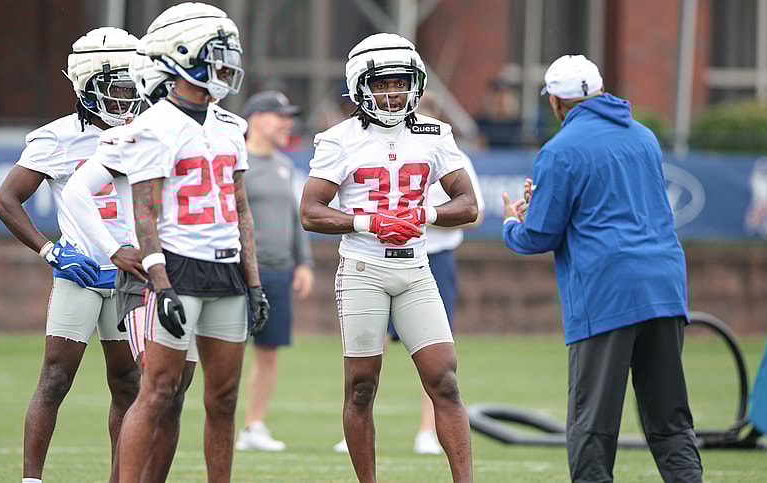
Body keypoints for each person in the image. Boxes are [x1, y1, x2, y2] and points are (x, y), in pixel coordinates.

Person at [501, 54, 703, 483]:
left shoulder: (559, 150)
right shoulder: (644, 137)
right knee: (670, 418)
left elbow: (540, 235)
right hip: (665, 287)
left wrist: (511, 223)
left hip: (606, 292)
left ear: (556, 102)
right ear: (599, 89)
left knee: (593, 423)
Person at [300, 33, 477, 483]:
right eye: (383, 84)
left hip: (416, 269)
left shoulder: (435, 133)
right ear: (361, 85)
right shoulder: (339, 139)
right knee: (361, 388)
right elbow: (310, 211)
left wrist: (425, 212)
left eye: (401, 83)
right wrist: (368, 222)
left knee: (446, 381)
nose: (394, 93)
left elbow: (469, 204)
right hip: (363, 269)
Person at [114, 4, 269, 482]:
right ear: (182, 54)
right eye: (216, 55)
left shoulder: (232, 126)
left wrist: (255, 284)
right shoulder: (152, 125)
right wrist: (160, 283)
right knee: (158, 391)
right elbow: (145, 213)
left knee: (223, 398)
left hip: (226, 273)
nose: (226, 65)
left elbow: (240, 208)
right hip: (178, 268)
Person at [0, 27, 144, 483]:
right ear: (89, 85)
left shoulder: (146, 131)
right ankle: (31, 480)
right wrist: (49, 250)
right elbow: (6, 200)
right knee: (56, 379)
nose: (128, 99)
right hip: (79, 272)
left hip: (128, 273)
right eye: (118, 89)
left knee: (128, 385)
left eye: (133, 87)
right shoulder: (57, 137)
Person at [62, 45, 197, 482]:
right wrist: (114, 249)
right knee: (153, 387)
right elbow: (77, 191)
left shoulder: (211, 131)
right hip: (145, 275)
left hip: (193, 271)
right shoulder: (135, 134)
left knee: (174, 393)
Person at [333, 92, 485, 456]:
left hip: (429, 259)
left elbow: (472, 211)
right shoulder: (358, 143)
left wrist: (423, 217)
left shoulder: (444, 147)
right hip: (371, 260)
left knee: (437, 362)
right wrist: (377, 222)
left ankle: (427, 430)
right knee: (367, 364)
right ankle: (358, 427)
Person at [235, 90, 315, 452]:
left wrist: (304, 262)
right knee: (227, 351)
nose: (287, 123)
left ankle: (254, 426)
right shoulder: (236, 162)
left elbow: (296, 219)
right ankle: (224, 420)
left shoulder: (286, 166)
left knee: (268, 352)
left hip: (280, 273)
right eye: (280, 116)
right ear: (257, 119)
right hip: (238, 273)